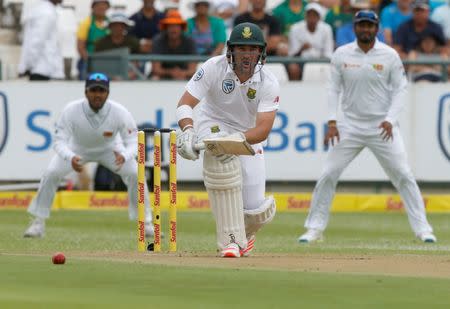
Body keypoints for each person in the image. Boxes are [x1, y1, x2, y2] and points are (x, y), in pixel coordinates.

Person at [297, 10, 437, 244]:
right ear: (355, 27)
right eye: (361, 25)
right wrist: (332, 121)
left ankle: (423, 230)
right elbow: (333, 89)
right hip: (349, 126)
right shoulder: (341, 54)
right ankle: (314, 229)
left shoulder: (389, 55)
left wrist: (390, 120)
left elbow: (400, 89)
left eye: (370, 26)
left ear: (377, 28)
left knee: (403, 175)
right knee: (328, 174)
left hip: (382, 126)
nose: (365, 29)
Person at [176, 22, 279, 258]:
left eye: (252, 49)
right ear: (230, 50)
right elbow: (185, 104)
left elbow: (262, 130)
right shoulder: (213, 67)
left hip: (247, 133)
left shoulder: (269, 81)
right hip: (213, 122)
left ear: (261, 52)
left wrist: (235, 141)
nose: (247, 54)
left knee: (256, 210)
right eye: (241, 48)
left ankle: (244, 235)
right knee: (221, 160)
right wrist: (189, 131)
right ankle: (231, 242)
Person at [24, 73, 155, 238]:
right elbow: (59, 141)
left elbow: (134, 141)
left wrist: (125, 155)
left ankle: (146, 223)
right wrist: (70, 156)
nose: (97, 95)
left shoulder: (119, 112)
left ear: (108, 93)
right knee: (51, 173)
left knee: (136, 174)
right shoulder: (71, 110)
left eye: (102, 90)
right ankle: (38, 223)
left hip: (111, 151)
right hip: (77, 150)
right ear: (86, 92)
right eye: (93, 90)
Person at [18, 0, 64, 80]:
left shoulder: (43, 10)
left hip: (42, 69)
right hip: (42, 70)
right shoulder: (46, 13)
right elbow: (36, 42)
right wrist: (28, 66)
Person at [288, 2, 333, 80]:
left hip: (321, 62)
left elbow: (328, 53)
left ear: (319, 17)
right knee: (293, 68)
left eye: (315, 15)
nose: (312, 17)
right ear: (305, 16)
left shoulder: (327, 29)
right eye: (309, 14)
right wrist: (301, 49)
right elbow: (292, 54)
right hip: (301, 62)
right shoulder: (295, 28)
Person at [151, 10, 197, 80]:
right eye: (170, 26)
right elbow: (156, 69)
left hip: (184, 77)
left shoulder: (190, 42)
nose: (173, 29)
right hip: (163, 77)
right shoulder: (158, 41)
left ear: (181, 28)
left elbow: (192, 70)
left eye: (177, 26)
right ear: (166, 28)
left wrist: (182, 73)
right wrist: (171, 72)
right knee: (155, 78)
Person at [76, 0, 110, 80]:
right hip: (89, 60)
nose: (101, 7)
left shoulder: (111, 23)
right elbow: (80, 47)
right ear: (93, 7)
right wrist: (90, 61)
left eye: (104, 5)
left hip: (108, 61)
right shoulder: (86, 23)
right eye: (98, 5)